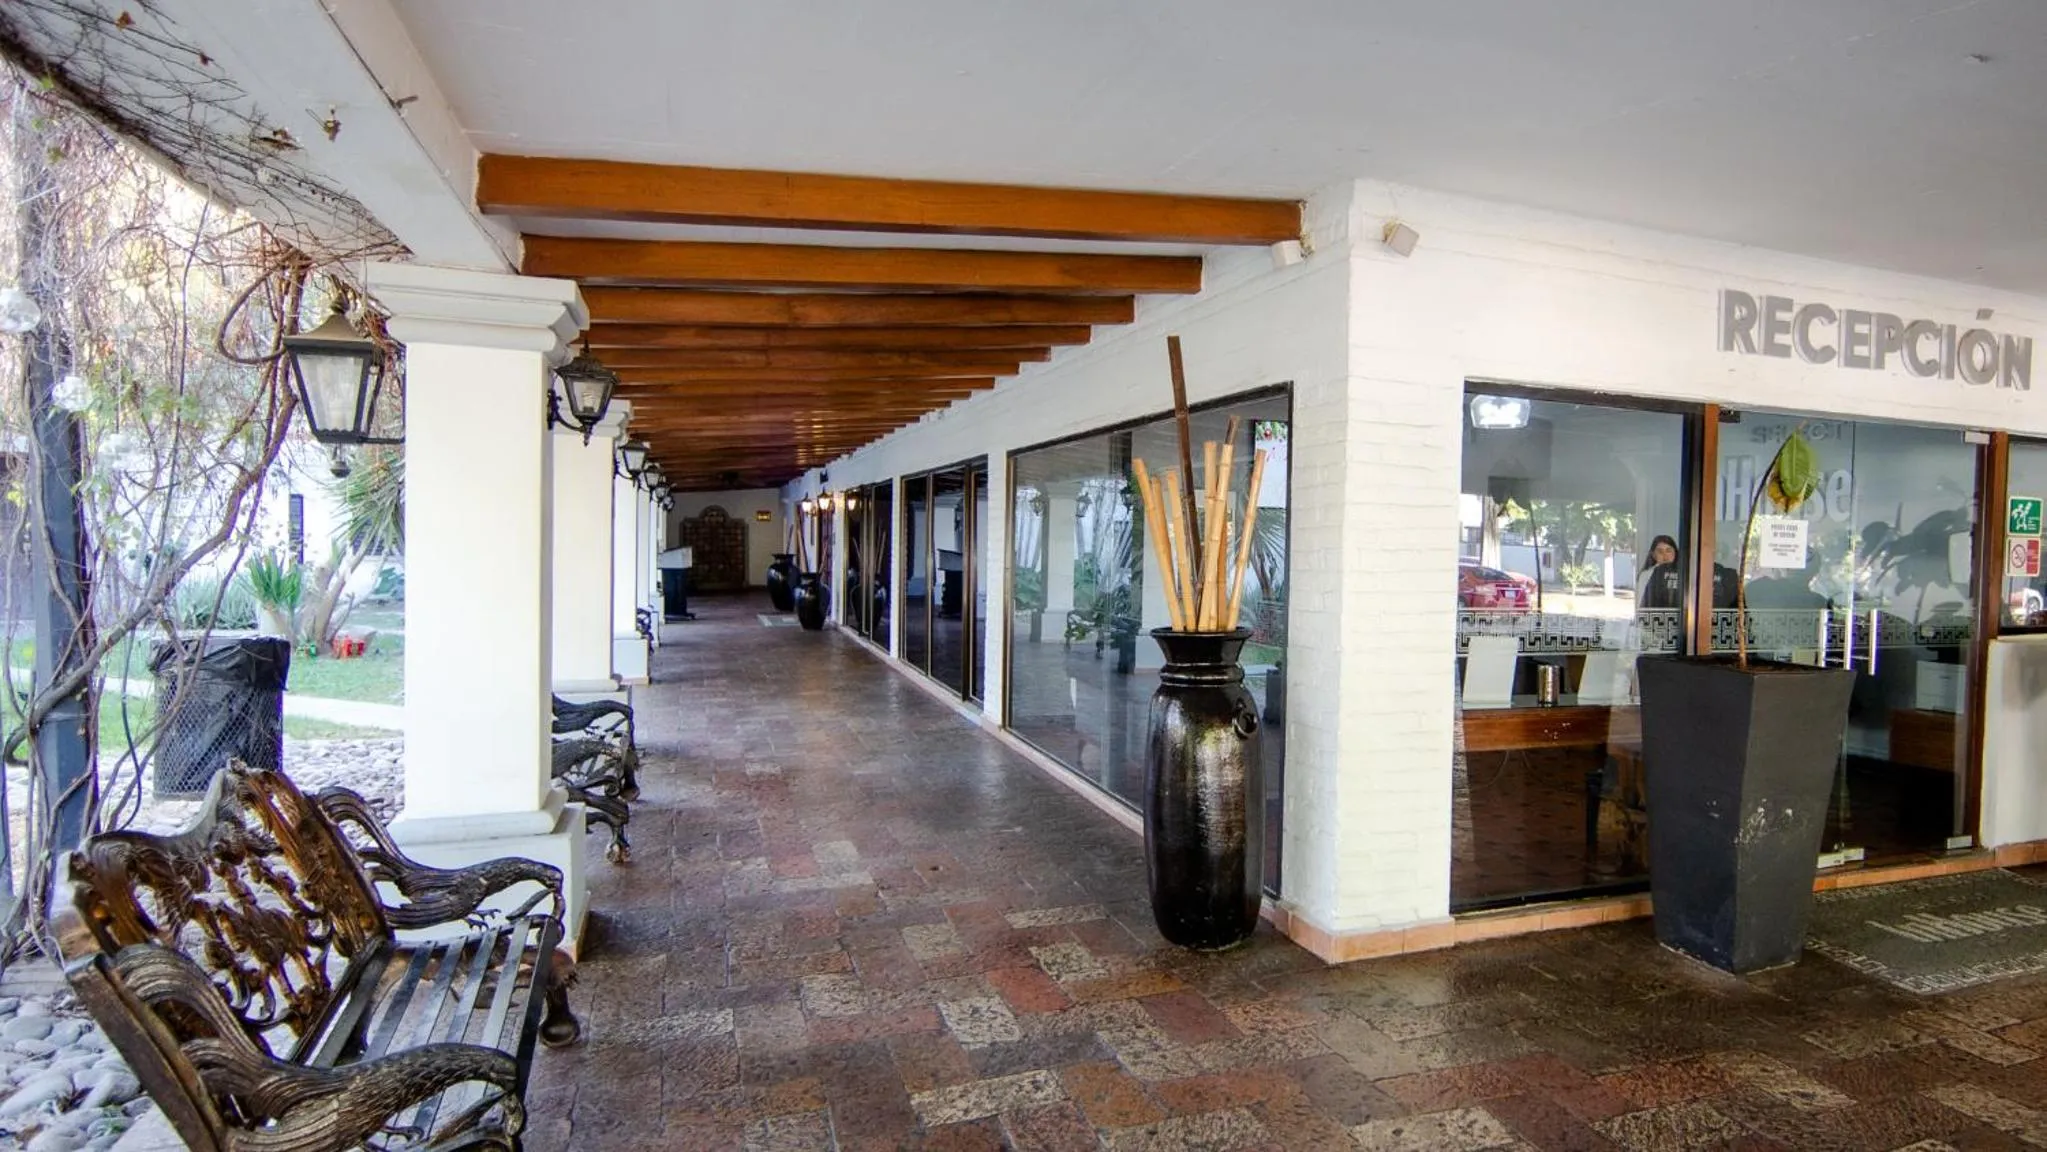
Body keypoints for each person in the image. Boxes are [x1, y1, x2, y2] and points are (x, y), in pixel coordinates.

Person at [1636, 535, 1682, 609]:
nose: (1665, 555)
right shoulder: (1646, 575)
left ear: (1675, 553)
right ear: (1653, 555)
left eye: (1668, 551)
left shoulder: (1683, 573)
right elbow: (1640, 605)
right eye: (1660, 551)